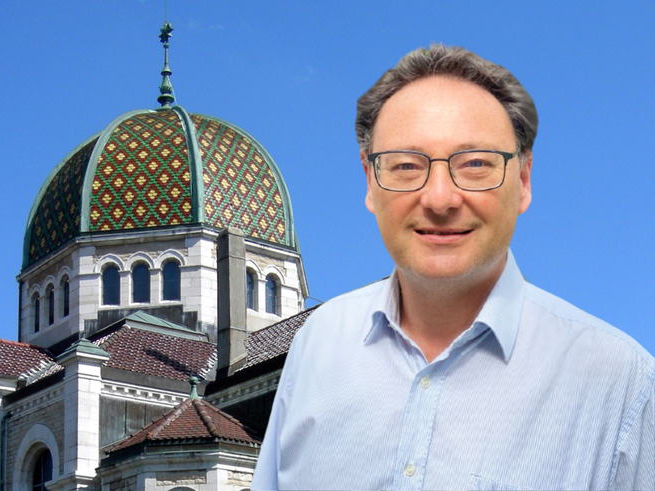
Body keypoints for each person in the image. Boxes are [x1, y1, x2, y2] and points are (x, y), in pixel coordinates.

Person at [251, 44, 654, 490]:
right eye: (405, 165)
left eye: (476, 164)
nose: (440, 199)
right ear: (370, 182)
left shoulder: (624, 384)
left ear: (523, 181)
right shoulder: (315, 346)